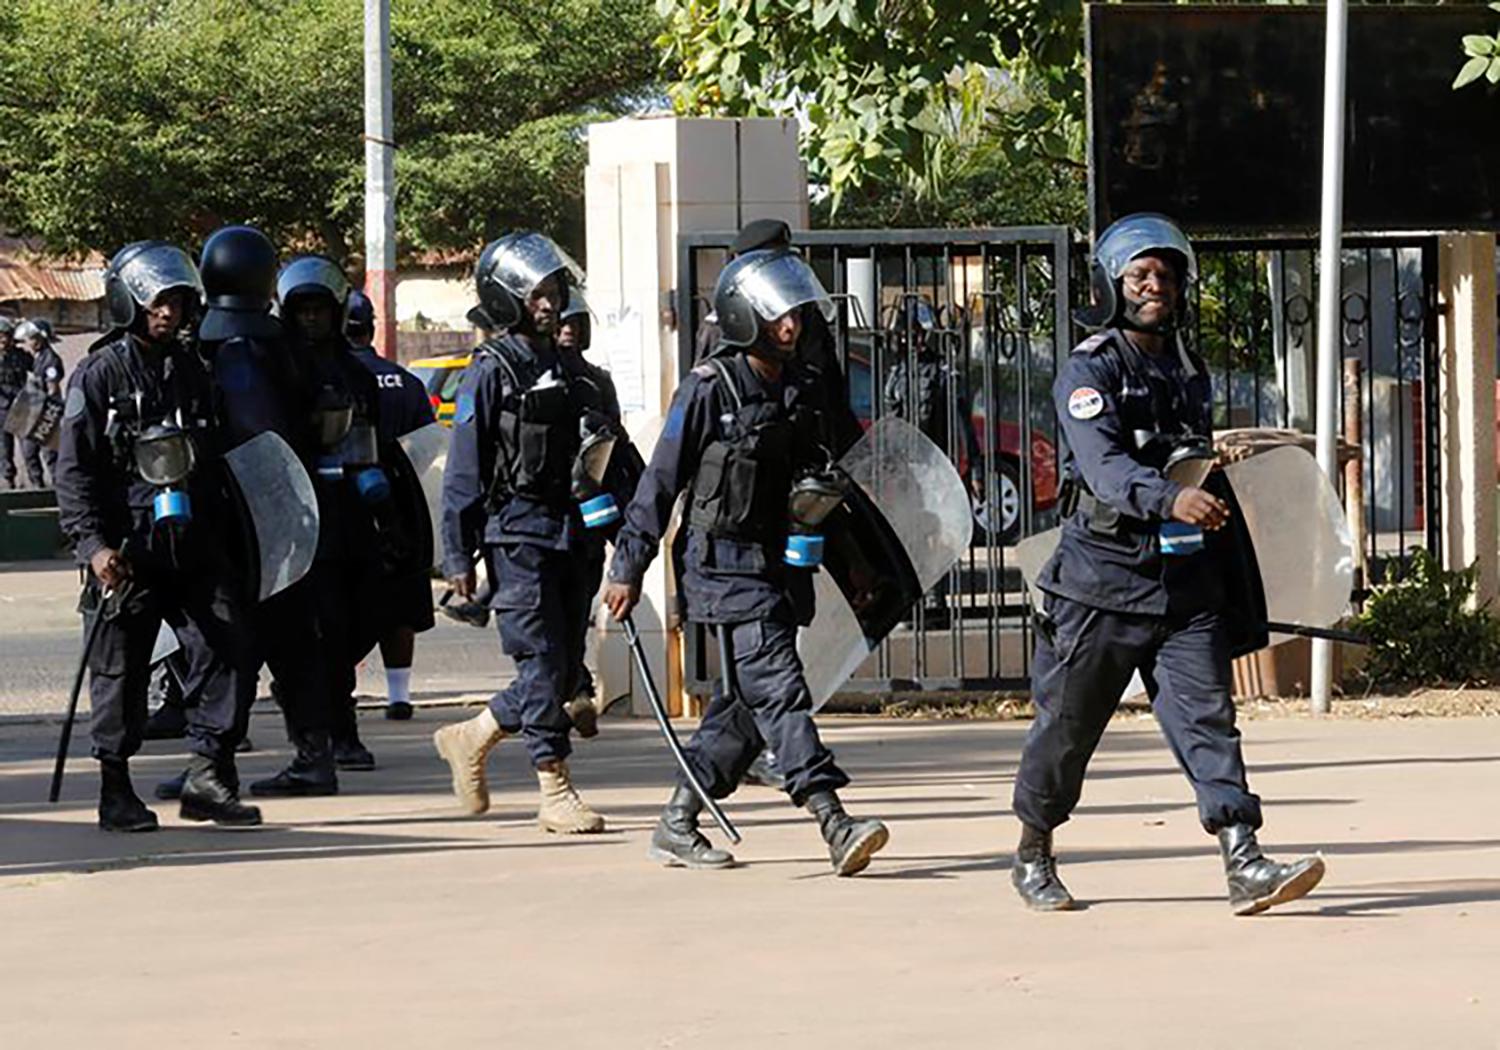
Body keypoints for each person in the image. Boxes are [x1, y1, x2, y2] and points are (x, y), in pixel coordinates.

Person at [1009, 213, 1326, 915]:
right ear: (1112, 286)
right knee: (1067, 730)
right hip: (1101, 584)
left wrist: (1208, 479)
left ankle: (1244, 857)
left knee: (1209, 720)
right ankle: (1033, 849)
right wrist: (1169, 497)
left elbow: (1187, 450)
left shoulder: (1186, 366)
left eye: (1167, 274)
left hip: (1184, 586)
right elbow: (1104, 466)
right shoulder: (1089, 369)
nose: (1156, 286)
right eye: (1140, 276)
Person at [601, 246, 888, 875]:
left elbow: (824, 488)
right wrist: (626, 568)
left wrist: (857, 566)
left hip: (782, 565)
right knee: (781, 692)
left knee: (744, 709)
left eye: (797, 316)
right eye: (778, 316)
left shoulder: (804, 391)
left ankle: (677, 821)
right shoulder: (709, 389)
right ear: (742, 316)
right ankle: (832, 820)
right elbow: (659, 484)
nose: (791, 327)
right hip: (724, 570)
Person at [54, 241, 261, 830]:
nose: (167, 313)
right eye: (155, 303)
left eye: (176, 301)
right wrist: (94, 548)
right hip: (126, 549)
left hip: (194, 540)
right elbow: (74, 473)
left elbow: (219, 457)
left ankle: (208, 775)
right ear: (129, 303)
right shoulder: (98, 374)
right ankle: (115, 789)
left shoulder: (195, 370)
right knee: (119, 669)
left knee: (228, 648)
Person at [431, 231, 609, 835]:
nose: (548, 302)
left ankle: (473, 735)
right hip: (516, 534)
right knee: (539, 665)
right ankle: (554, 787)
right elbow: (465, 469)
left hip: (571, 534)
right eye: (535, 293)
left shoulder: (576, 372)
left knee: (560, 671)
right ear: (507, 298)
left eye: (553, 289)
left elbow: (610, 456)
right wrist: (457, 553)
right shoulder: (491, 371)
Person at [154, 225, 340, 800]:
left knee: (228, 645)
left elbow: (240, 434)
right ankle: (313, 755)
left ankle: (216, 763)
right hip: (292, 517)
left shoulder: (215, 347)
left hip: (231, 519)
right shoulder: (289, 345)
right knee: (293, 644)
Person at [277, 255, 391, 772]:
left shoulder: (354, 370)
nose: (311, 320)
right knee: (304, 632)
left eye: (319, 309)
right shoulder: (276, 366)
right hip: (297, 516)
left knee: (354, 622)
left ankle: (338, 726)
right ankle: (319, 731)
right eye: (301, 310)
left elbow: (374, 438)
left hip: (350, 511)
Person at [345, 289, 437, 722]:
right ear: (372, 328)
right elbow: (426, 446)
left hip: (343, 503)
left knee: (343, 598)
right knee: (403, 597)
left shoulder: (330, 375)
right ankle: (399, 694)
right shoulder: (406, 381)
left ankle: (339, 689)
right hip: (403, 503)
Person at [16, 318, 64, 487]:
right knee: (28, 452)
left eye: (31, 339)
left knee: (49, 455)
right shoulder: (37, 358)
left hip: (46, 411)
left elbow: (53, 389)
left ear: (40, 339)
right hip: (34, 409)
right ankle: (37, 486)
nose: (28, 343)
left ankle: (58, 491)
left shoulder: (50, 360)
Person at [0, 317, 36, 489]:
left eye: (4, 336)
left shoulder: (21, 356)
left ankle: (37, 482)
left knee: (29, 450)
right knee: (4, 451)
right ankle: (9, 483)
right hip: (1, 410)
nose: (2, 340)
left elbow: (39, 368)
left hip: (22, 407)